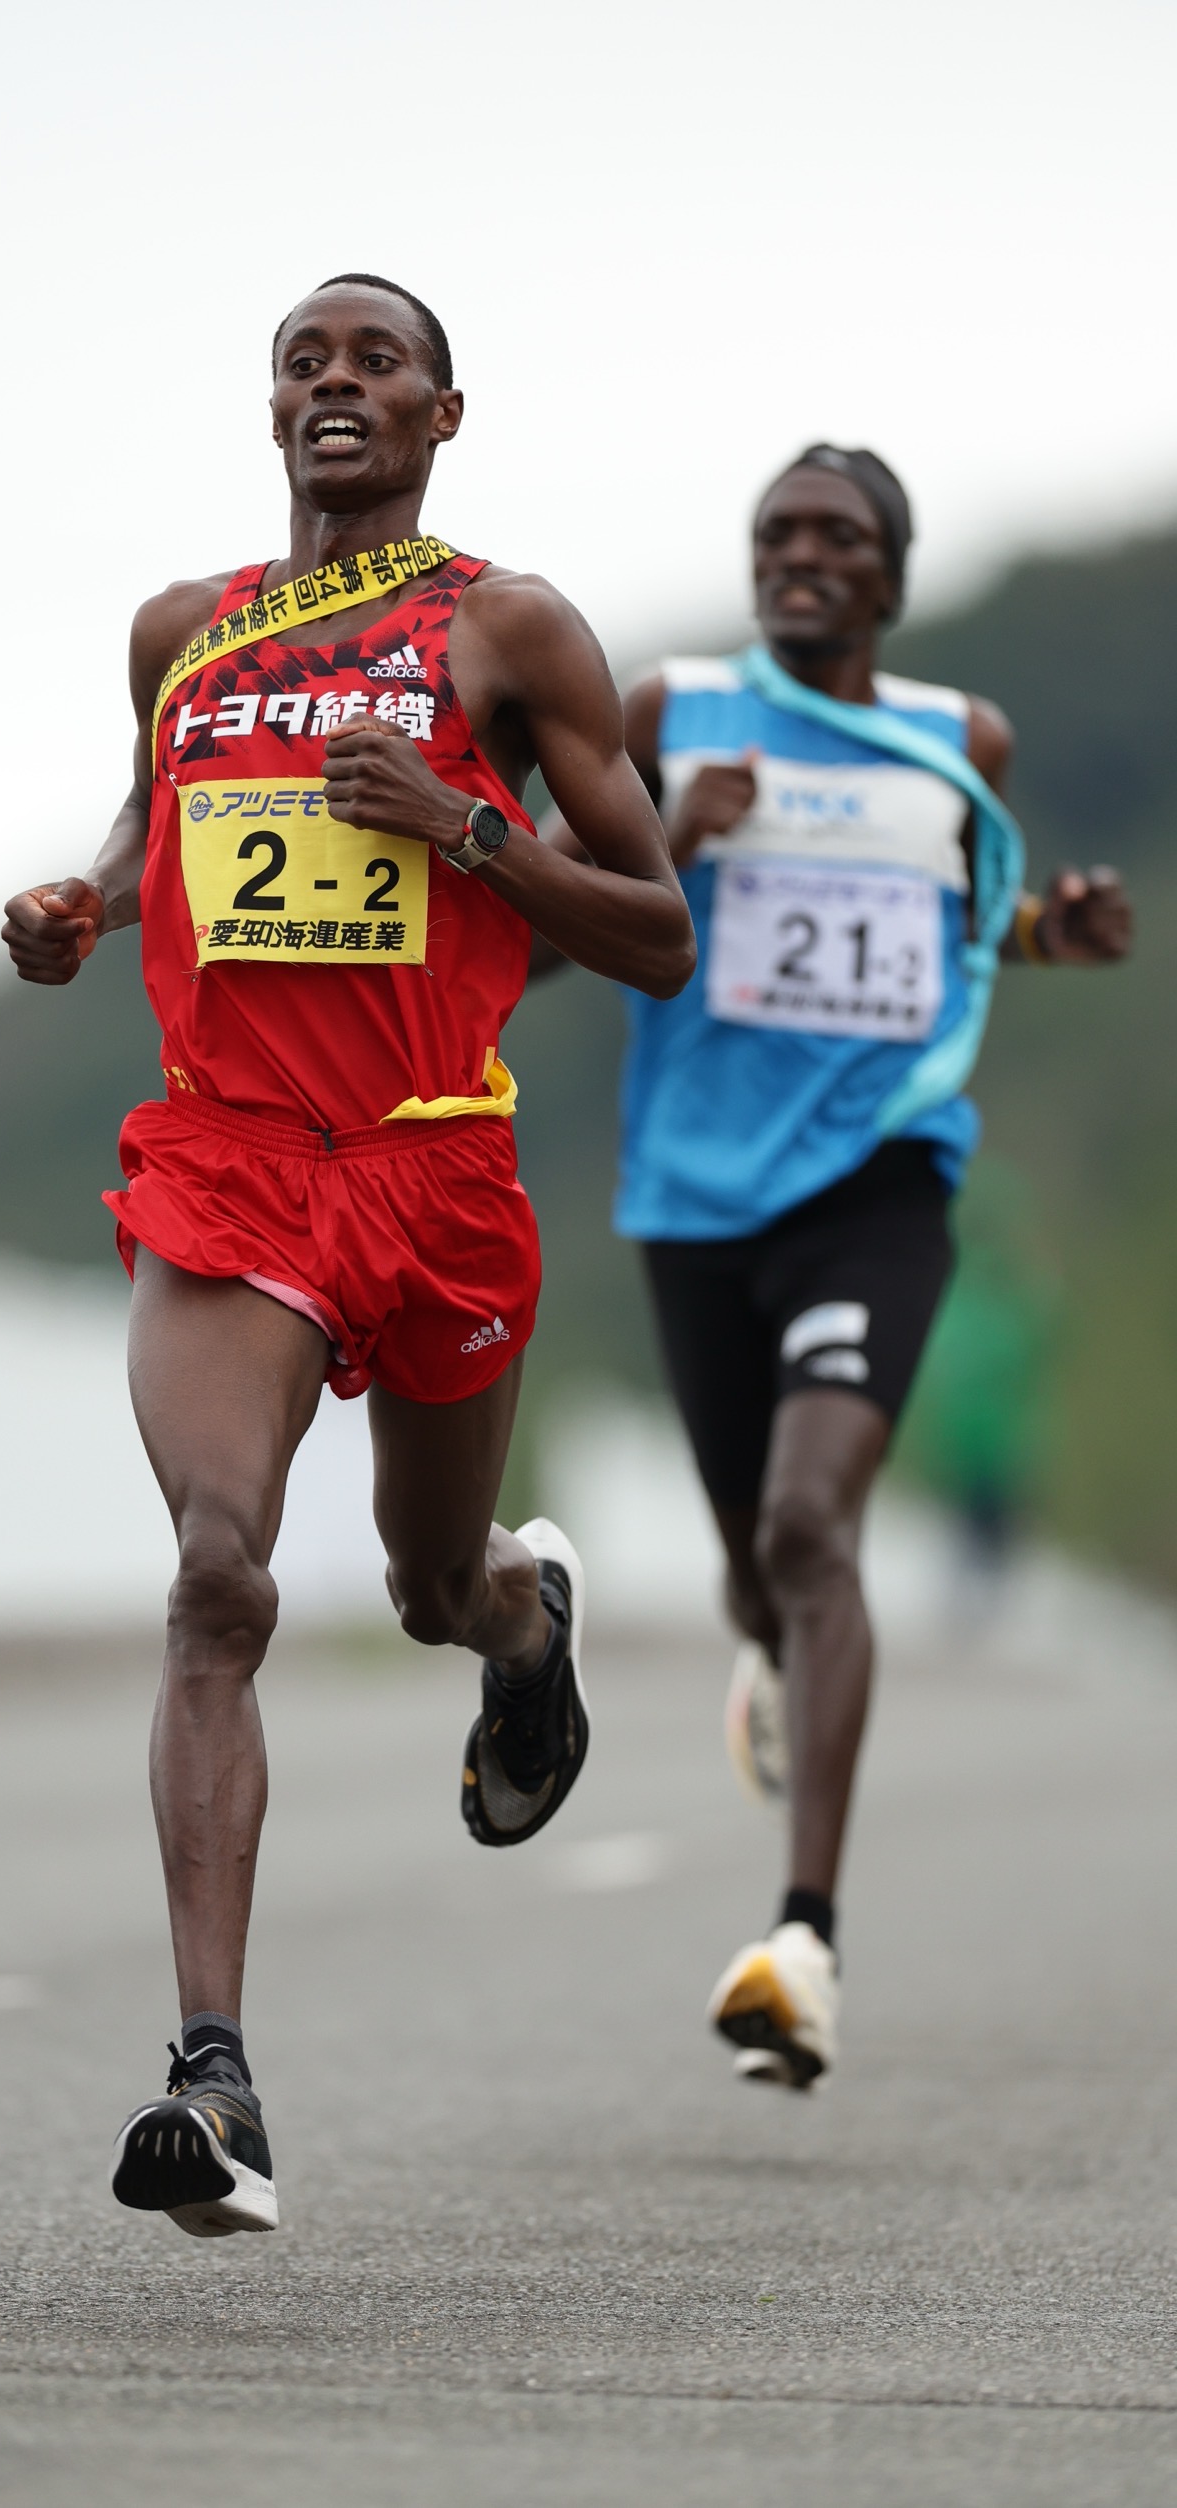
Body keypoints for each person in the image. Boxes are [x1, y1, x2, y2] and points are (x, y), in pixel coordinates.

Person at [1, 275, 694, 2235]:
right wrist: (80, 903)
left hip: (431, 1169)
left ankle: (517, 1622)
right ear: (271, 407)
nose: (332, 383)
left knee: (413, 1581)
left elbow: (653, 931)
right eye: (301, 358)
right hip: (223, 1162)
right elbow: (159, 827)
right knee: (217, 1580)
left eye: (370, 359)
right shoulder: (182, 631)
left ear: (440, 414)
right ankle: (210, 2087)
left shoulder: (505, 625)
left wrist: (464, 839)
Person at [558, 445, 1131, 2091]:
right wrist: (669, 832)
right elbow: (562, 908)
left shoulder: (960, 744)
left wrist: (1054, 930)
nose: (801, 559)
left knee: (818, 1523)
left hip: (881, 1174)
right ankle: (775, 1647)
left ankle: (802, 1940)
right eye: (775, 536)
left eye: (838, 540)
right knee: (762, 1566)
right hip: (694, 1195)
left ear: (891, 576)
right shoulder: (669, 713)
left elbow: (966, 917)